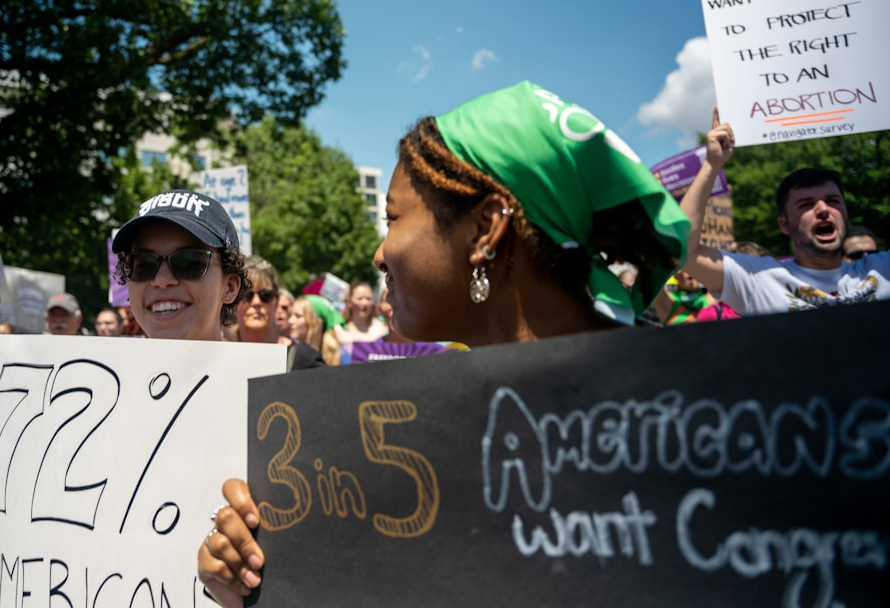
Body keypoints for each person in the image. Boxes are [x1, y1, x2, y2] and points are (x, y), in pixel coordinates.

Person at [197, 80, 689, 605]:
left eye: (393, 219)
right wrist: (258, 582)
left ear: (485, 229)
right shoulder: (391, 434)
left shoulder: (691, 423)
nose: (379, 253)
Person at [0, 188, 253, 602]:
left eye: (190, 262)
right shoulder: (67, 395)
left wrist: (249, 580)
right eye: (143, 265)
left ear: (231, 286)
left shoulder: (270, 404)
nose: (162, 279)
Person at [679, 110, 890, 315]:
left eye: (833, 201)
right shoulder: (757, 279)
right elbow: (684, 251)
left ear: (845, 215)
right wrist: (712, 163)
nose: (823, 209)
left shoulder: (881, 269)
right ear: (784, 224)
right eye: (806, 204)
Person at [234, 257, 324, 371]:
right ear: (233, 302)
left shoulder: (305, 359)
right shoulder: (218, 356)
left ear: (276, 301)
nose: (256, 302)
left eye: (265, 295)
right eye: (247, 295)